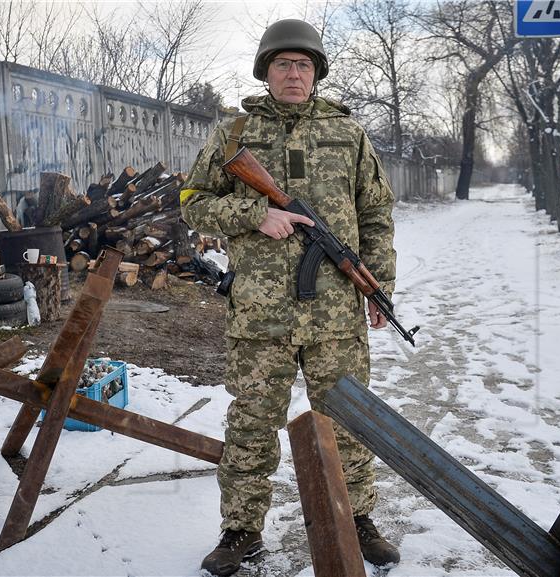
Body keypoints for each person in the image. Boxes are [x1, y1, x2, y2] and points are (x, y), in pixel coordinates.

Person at [180, 18, 400, 576]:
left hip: (335, 312)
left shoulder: (349, 135)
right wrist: (258, 213)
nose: (294, 73)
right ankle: (240, 530)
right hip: (260, 313)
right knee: (252, 423)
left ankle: (358, 520)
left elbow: (376, 215)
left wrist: (381, 287)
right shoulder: (234, 134)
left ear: (317, 73)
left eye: (304, 64)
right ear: (266, 70)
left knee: (350, 421)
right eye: (284, 63)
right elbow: (192, 202)